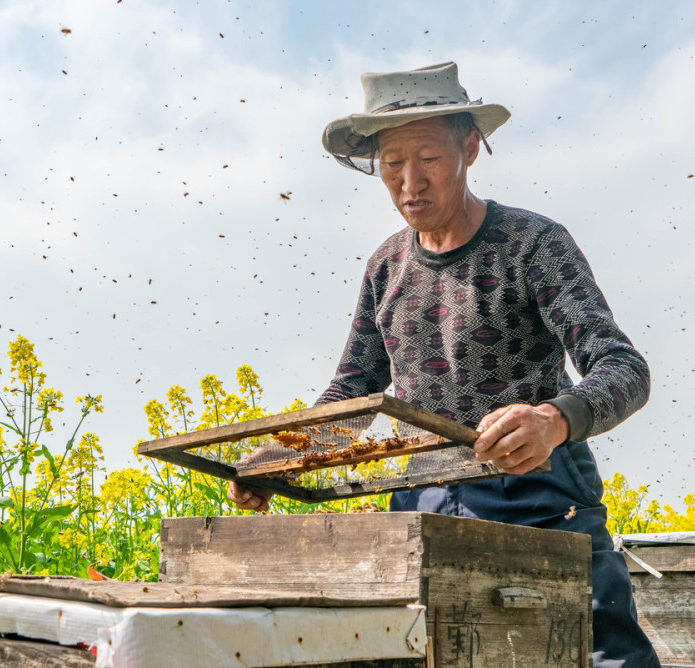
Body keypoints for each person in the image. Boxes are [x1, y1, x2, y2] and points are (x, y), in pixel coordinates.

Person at [228, 62, 660, 667]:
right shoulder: (386, 269)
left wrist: (551, 421)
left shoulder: (534, 245)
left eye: (427, 158)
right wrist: (291, 450)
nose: (410, 182)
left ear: (470, 149)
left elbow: (623, 367)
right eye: (392, 164)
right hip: (423, 516)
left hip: (541, 509)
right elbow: (353, 391)